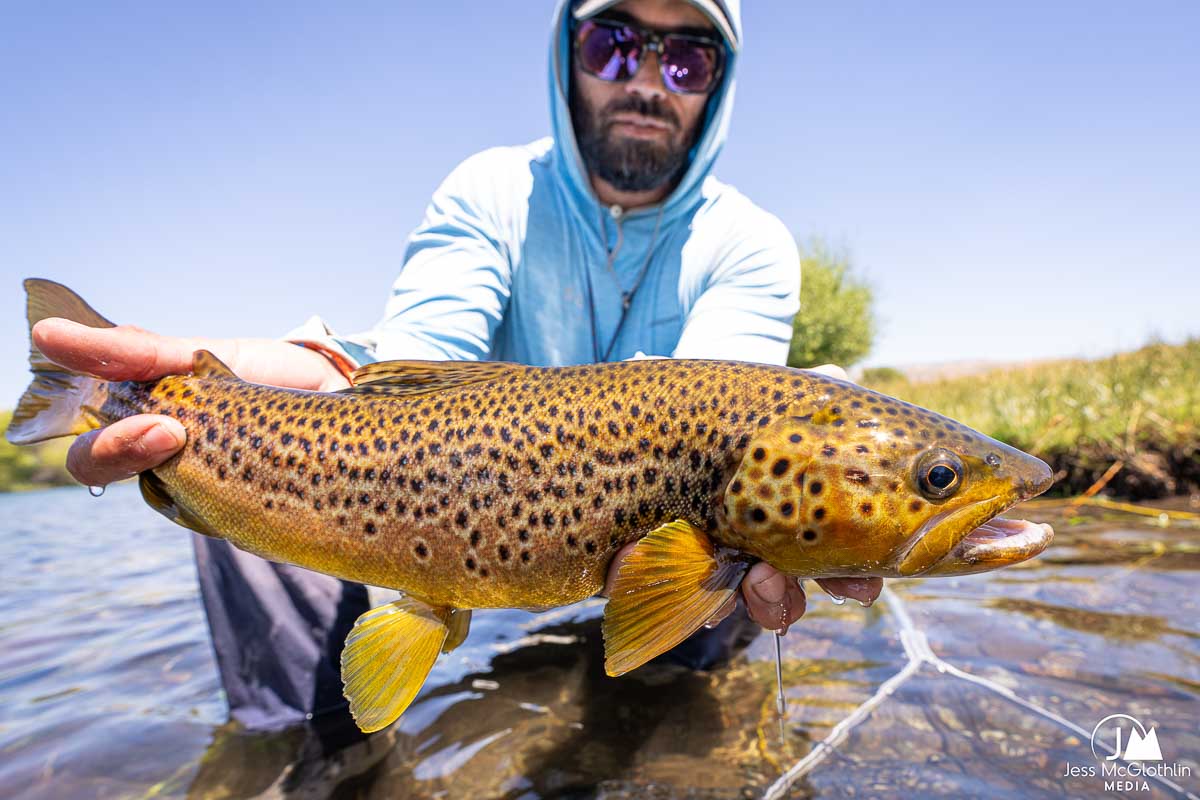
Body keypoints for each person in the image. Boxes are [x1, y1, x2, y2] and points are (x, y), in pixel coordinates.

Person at [34, 0, 882, 779]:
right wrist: (323, 378)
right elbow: (417, 358)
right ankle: (315, 755)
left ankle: (659, 728)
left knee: (749, 551)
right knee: (207, 467)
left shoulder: (750, 243)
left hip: (640, 541)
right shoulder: (492, 191)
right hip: (450, 496)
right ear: (569, 54)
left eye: (687, 60)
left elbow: (731, 417)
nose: (647, 81)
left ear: (718, 84)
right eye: (614, 43)